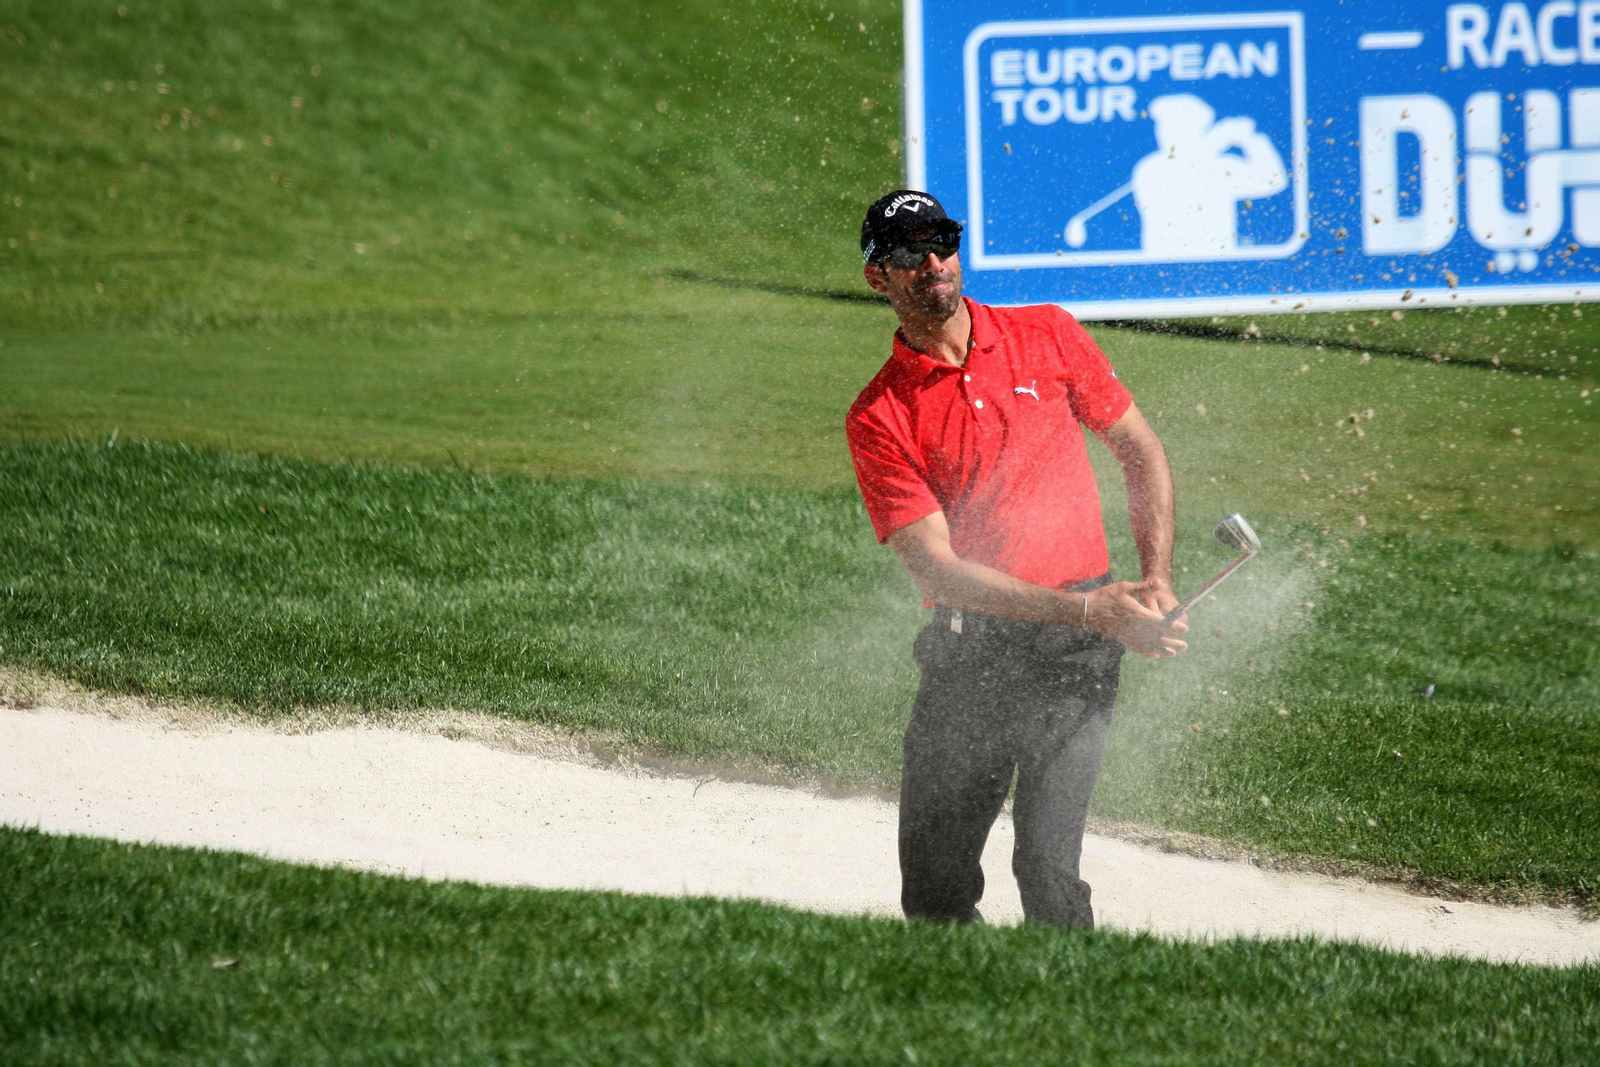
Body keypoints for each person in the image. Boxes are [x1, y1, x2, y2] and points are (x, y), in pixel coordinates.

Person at [845, 189, 1188, 928]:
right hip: (970, 657)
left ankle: (1072, 1030)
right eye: (908, 253)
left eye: (942, 242)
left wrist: (1153, 577)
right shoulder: (880, 413)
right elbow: (937, 570)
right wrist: (1094, 609)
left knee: (1046, 868)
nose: (931, 263)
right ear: (880, 277)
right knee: (934, 888)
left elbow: (1139, 447)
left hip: (1076, 652)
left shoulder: (1048, 335)